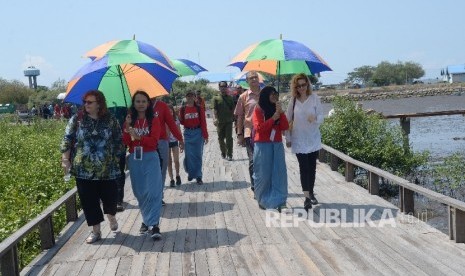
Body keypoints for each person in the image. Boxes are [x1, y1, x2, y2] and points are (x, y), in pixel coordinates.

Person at [60, 90, 123, 244]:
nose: (86, 105)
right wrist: (65, 160)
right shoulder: (77, 119)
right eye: (85, 102)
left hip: (107, 168)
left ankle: (111, 215)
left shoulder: (111, 120)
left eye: (90, 102)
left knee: (110, 198)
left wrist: (115, 155)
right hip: (83, 169)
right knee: (89, 201)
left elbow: (118, 140)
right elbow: (67, 139)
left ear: (99, 104)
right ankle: (96, 231)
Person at [123, 91, 163, 240]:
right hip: (135, 158)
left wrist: (140, 137)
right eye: (138, 101)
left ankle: (155, 224)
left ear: (148, 103)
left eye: (143, 101)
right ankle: (146, 220)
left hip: (151, 157)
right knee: (140, 192)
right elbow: (126, 141)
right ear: (133, 104)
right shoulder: (129, 121)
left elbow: (154, 141)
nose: (141, 104)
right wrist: (128, 127)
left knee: (154, 191)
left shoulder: (154, 120)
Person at [285, 73, 323, 211]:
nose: (302, 88)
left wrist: (315, 119)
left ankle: (311, 192)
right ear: (295, 87)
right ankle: (306, 197)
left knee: (312, 167)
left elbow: (321, 116)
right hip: (298, 139)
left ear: (308, 84)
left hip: (312, 138)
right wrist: (288, 138)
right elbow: (287, 120)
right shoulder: (293, 101)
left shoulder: (314, 98)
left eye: (304, 84)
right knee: (303, 168)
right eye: (299, 85)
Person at [252, 86, 289, 211]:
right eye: (271, 94)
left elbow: (285, 126)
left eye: (276, 94)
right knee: (263, 174)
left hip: (277, 144)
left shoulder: (278, 109)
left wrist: (281, 113)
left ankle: (280, 201)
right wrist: (272, 119)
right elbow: (259, 129)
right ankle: (262, 199)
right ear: (265, 95)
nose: (274, 96)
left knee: (279, 173)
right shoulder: (258, 109)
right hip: (262, 144)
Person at [152, 97, 184, 204]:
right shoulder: (139, 104)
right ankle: (151, 195)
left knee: (162, 169)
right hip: (146, 144)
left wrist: (180, 139)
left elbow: (172, 124)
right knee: (149, 171)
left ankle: (159, 195)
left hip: (161, 142)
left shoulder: (162, 106)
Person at [234, 71, 261, 190]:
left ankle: (263, 183)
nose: (254, 79)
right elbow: (239, 116)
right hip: (249, 132)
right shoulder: (243, 97)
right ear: (247, 81)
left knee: (264, 160)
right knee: (253, 160)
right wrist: (239, 133)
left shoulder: (266, 93)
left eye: (255, 77)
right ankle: (254, 184)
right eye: (251, 78)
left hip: (265, 133)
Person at [179, 90, 209, 184]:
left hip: (198, 133)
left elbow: (203, 122)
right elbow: (182, 122)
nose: (190, 98)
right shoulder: (182, 109)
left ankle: (199, 176)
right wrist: (178, 117)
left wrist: (205, 135)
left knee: (198, 155)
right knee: (189, 155)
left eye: (191, 96)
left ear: (195, 97)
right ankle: (191, 173)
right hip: (188, 133)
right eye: (188, 96)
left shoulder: (199, 108)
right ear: (186, 97)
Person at [213, 81, 235, 160]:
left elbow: (233, 109)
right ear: (219, 88)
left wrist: (233, 118)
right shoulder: (216, 98)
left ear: (226, 87)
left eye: (224, 86)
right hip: (220, 122)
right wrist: (215, 119)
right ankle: (223, 151)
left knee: (229, 138)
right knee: (220, 139)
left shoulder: (230, 98)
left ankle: (230, 154)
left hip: (228, 121)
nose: (223, 88)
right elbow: (215, 110)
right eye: (221, 86)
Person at [167, 104, 183, 187]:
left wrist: (181, 141)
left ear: (173, 111)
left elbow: (179, 131)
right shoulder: (164, 120)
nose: (170, 112)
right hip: (166, 142)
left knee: (176, 160)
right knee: (168, 162)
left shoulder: (176, 119)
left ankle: (177, 175)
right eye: (168, 110)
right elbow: (166, 133)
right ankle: (171, 179)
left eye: (171, 110)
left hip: (175, 141)